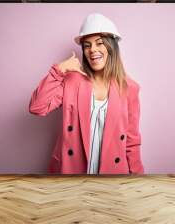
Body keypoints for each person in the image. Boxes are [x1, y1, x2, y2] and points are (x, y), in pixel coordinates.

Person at [29, 13, 144, 174]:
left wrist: (137, 178)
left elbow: (132, 141)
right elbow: (37, 107)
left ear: (111, 47)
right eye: (87, 45)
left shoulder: (130, 89)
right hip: (71, 171)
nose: (92, 50)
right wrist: (59, 69)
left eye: (99, 43)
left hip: (113, 173)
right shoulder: (72, 81)